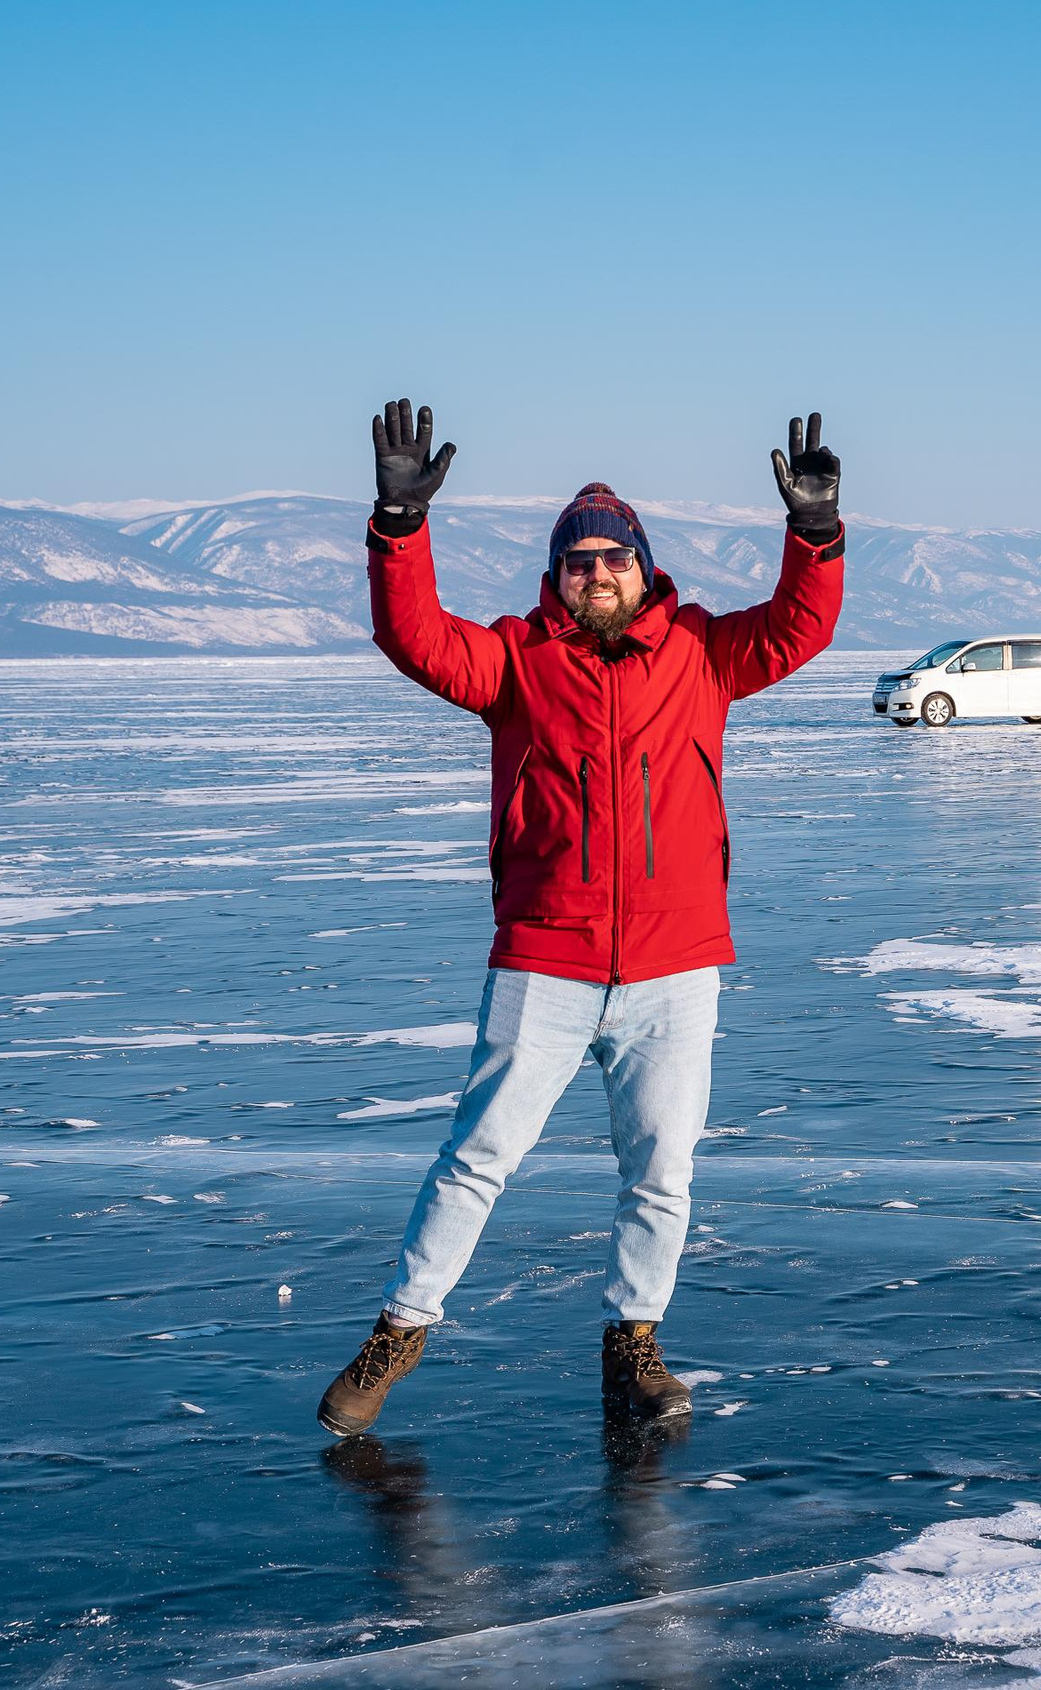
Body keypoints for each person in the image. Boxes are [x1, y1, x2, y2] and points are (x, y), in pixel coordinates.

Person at [317, 401, 845, 1437]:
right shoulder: (516, 663)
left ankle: (633, 1347)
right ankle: (401, 1329)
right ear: (555, 578)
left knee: (662, 1172)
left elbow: (801, 625)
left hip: (674, 966)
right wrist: (398, 523)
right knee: (477, 1159)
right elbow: (414, 636)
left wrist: (815, 537)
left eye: (613, 558)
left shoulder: (704, 653)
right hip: (546, 960)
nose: (596, 573)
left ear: (644, 568)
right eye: (577, 561)